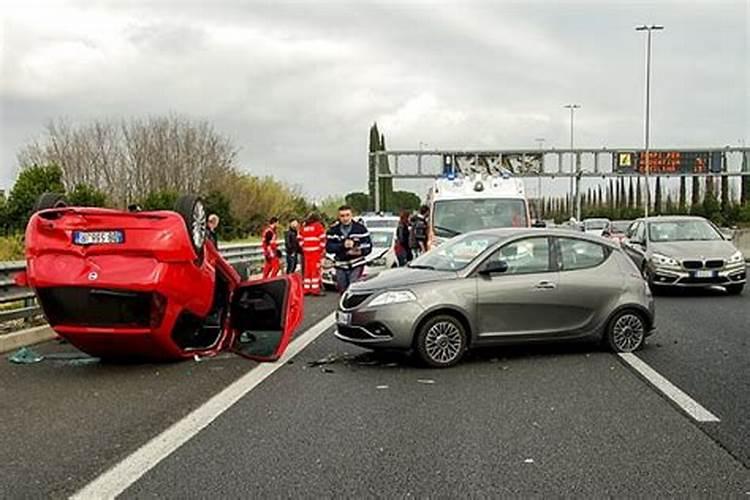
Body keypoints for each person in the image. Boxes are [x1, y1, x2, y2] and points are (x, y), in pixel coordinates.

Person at [326, 205, 372, 293]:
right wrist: (343, 245)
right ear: (338, 217)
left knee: (353, 287)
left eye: (347, 215)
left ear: (352, 215)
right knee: (342, 290)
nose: (345, 218)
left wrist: (359, 250)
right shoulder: (333, 231)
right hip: (340, 265)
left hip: (356, 264)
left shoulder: (360, 229)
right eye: (342, 216)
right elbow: (329, 247)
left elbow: (368, 246)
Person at [300, 213, 326, 295]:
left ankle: (306, 289)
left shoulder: (304, 227)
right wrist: (321, 249)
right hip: (315, 252)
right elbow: (322, 238)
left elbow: (299, 238)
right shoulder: (318, 226)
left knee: (307, 271)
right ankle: (315, 290)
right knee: (315, 271)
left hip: (306, 252)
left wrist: (303, 247)